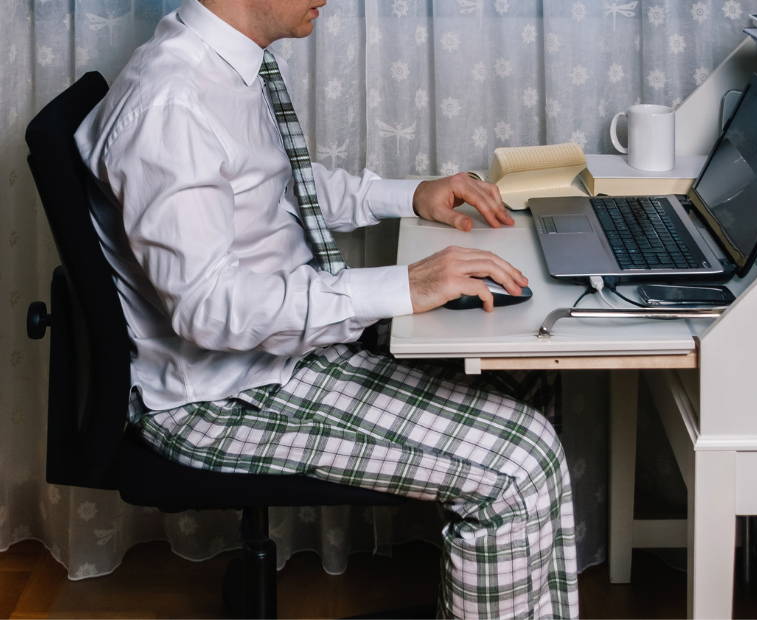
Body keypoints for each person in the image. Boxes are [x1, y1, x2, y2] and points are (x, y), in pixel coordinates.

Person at [75, 0, 578, 617]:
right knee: (515, 465)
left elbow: (280, 186)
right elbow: (208, 308)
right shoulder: (170, 104)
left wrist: (411, 196)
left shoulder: (226, 64)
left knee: (534, 376)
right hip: (225, 392)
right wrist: (407, 284)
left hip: (280, 347)